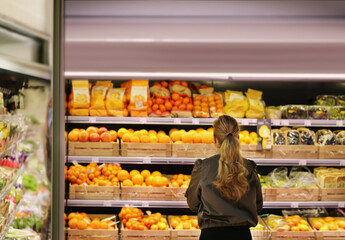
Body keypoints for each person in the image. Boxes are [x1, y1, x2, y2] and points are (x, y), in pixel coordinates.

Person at [185, 115, 263, 240]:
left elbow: (193, 204)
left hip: (211, 235)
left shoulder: (203, 167)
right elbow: (258, 205)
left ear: (214, 139)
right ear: (238, 138)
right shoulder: (249, 167)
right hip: (242, 235)